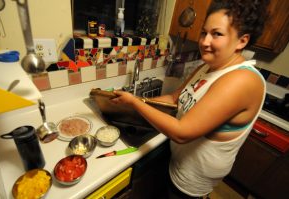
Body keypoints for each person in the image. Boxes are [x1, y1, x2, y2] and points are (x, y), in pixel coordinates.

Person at [111, 0, 269, 198]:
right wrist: (135, 101)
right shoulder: (206, 68)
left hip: (193, 178)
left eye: (217, 34)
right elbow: (174, 98)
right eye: (204, 32)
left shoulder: (242, 80)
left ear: (242, 41)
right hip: (179, 162)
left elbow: (182, 132)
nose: (204, 42)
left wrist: (134, 103)